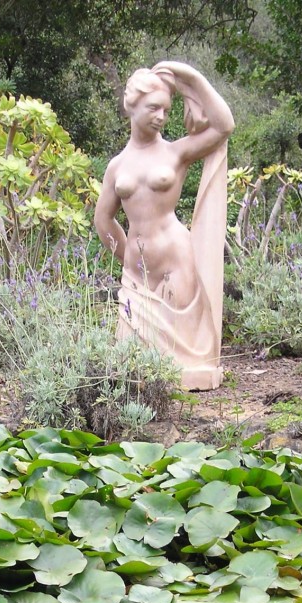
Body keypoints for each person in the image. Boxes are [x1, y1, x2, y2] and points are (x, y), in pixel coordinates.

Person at [94, 61, 234, 390]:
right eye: (153, 107)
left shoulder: (176, 152)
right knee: (133, 367)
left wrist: (191, 78)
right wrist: (131, 258)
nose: (161, 116)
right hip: (137, 275)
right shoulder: (117, 166)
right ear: (132, 105)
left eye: (166, 110)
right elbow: (103, 221)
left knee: (182, 357)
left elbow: (223, 125)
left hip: (176, 260)